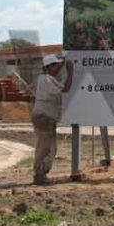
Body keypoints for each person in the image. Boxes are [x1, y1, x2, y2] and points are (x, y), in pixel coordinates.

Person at [31, 53, 73, 185]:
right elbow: (65, 89)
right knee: (47, 148)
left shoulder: (48, 78)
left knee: (47, 147)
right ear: (49, 67)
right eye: (55, 66)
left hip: (45, 117)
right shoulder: (46, 79)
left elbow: (62, 86)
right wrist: (70, 72)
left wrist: (62, 64)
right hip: (44, 117)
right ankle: (40, 175)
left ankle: (40, 174)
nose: (58, 69)